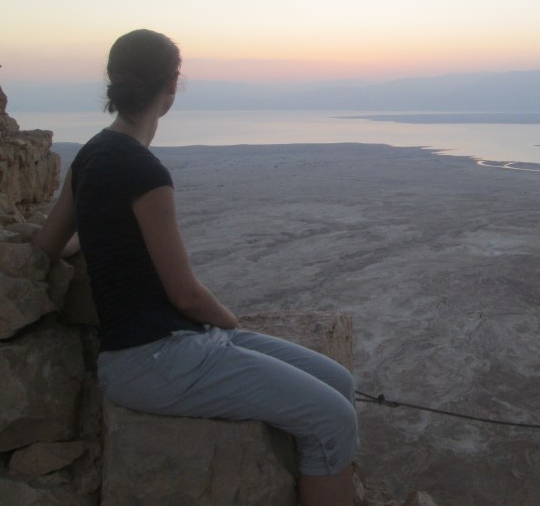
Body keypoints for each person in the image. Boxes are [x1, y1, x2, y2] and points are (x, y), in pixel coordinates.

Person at [33, 29, 358, 506]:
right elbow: (185, 294)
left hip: (174, 345)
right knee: (334, 420)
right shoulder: (145, 172)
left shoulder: (91, 155)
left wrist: (100, 238)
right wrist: (228, 320)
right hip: (155, 360)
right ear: (172, 86)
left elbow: (47, 244)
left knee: (340, 382)